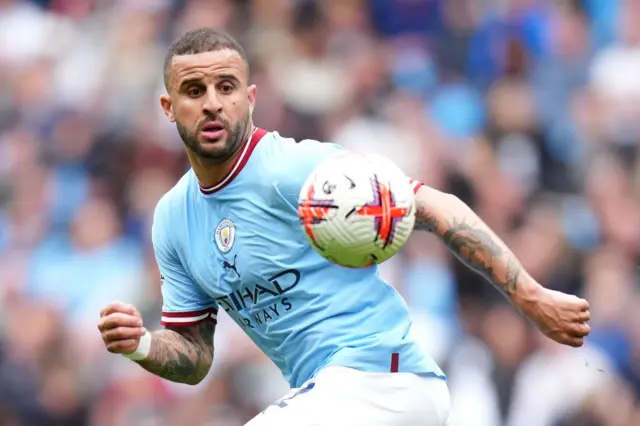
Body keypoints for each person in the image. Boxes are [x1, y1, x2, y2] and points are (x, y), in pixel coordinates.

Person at [97, 28, 591, 426]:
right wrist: (140, 344)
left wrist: (531, 296)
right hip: (331, 398)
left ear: (249, 98)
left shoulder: (295, 169)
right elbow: (194, 353)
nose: (211, 103)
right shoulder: (171, 219)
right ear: (168, 108)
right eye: (193, 90)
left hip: (384, 381)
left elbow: (435, 206)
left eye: (225, 88)